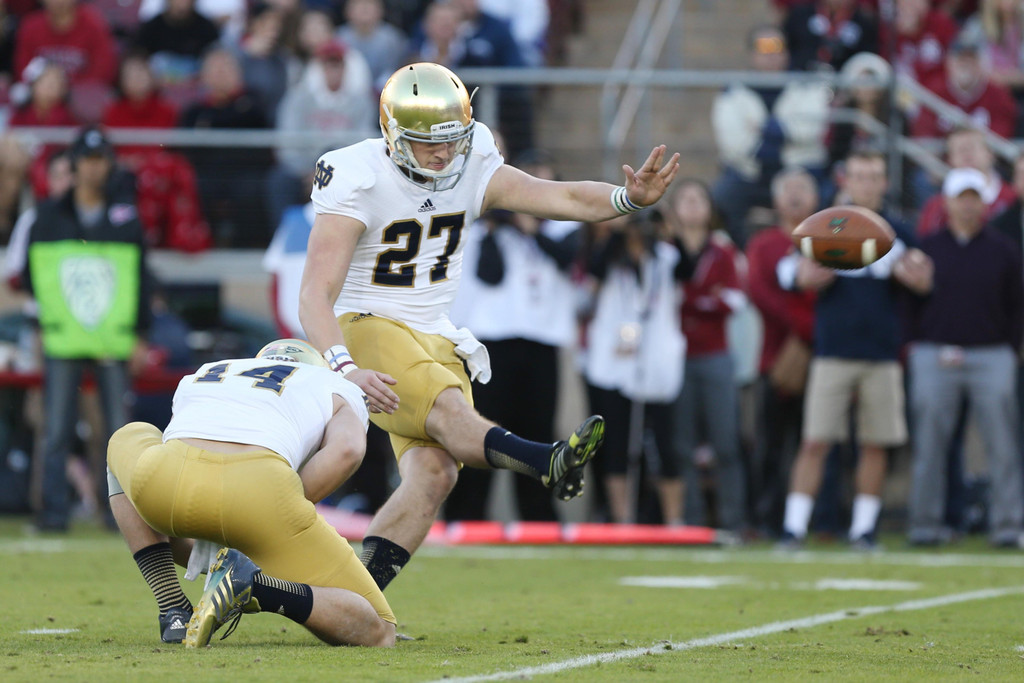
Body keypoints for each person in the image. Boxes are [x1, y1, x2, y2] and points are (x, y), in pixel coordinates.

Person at [299, 62, 677, 590]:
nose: (443, 153)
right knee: (451, 412)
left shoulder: (473, 157)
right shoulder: (356, 174)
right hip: (366, 322)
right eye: (428, 142)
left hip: (434, 327)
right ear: (391, 133)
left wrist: (627, 199)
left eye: (452, 139)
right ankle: (546, 460)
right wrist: (343, 366)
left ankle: (351, 600)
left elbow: (558, 197)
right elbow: (314, 294)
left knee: (435, 475)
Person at [107, 339, 396, 647]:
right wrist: (289, 505)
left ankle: (172, 607)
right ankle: (253, 587)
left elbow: (188, 435)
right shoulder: (333, 383)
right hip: (261, 492)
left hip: (167, 483)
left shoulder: (209, 371)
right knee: (379, 630)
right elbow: (348, 450)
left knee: (126, 437)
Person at [777, 150, 931, 550]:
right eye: (859, 175)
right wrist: (804, 275)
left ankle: (864, 529)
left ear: (884, 182)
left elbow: (925, 279)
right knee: (815, 441)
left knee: (875, 442)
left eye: (874, 176)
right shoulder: (830, 224)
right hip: (833, 350)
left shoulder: (898, 231)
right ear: (847, 180)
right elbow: (789, 269)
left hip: (881, 353)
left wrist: (918, 277)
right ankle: (794, 528)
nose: (866, 183)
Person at [22, 126, 151, 532]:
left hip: (111, 337)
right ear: (74, 165)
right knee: (56, 429)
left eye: (100, 161)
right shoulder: (47, 215)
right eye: (87, 160)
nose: (94, 169)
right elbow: (33, 279)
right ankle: (53, 514)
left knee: (117, 433)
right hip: (65, 336)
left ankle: (118, 517)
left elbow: (142, 280)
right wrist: (41, 326)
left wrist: (139, 334)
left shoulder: (126, 216)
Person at [447, 149, 583, 522]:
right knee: (485, 428)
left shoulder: (563, 226)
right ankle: (468, 514)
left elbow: (565, 257)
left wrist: (532, 227)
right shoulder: (491, 225)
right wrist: (502, 226)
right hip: (494, 341)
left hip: (543, 340)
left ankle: (538, 517)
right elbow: (489, 274)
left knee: (538, 429)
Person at [905, 167, 1024, 548]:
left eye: (975, 197)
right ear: (947, 202)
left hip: (992, 355)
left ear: (984, 202)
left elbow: (1017, 305)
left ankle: (1007, 526)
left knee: (1002, 445)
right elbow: (909, 305)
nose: (968, 205)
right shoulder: (928, 248)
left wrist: (1013, 348)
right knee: (930, 444)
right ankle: (925, 525)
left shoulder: (1004, 249)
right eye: (962, 197)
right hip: (935, 354)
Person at [581, 211, 689, 525]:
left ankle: (674, 519)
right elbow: (594, 268)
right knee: (616, 442)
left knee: (667, 443)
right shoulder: (612, 256)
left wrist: (670, 231)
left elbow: (689, 269)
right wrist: (616, 231)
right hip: (616, 360)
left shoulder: (667, 256)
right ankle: (622, 518)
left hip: (657, 359)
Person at [667, 179, 748, 532]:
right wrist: (705, 299)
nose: (692, 206)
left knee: (726, 442)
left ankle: (732, 522)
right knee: (681, 445)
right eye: (685, 199)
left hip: (715, 355)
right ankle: (692, 522)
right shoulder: (666, 249)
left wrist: (694, 301)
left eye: (699, 199)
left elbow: (734, 301)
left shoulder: (723, 250)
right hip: (675, 356)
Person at [744, 167, 819, 537]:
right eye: (788, 188)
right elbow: (759, 292)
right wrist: (805, 328)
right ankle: (766, 517)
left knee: (817, 442)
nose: (795, 195)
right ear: (775, 200)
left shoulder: (825, 238)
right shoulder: (764, 243)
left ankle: (819, 519)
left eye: (802, 187)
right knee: (770, 444)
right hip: (776, 358)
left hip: (820, 356)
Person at [710, 24, 830, 246]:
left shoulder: (808, 83)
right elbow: (732, 142)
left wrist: (764, 129)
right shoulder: (733, 89)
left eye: (777, 48)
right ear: (751, 54)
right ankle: (743, 255)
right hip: (749, 172)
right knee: (721, 197)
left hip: (801, 170)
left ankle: (816, 255)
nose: (771, 56)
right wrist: (785, 133)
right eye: (763, 49)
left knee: (829, 200)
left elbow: (811, 129)